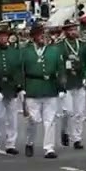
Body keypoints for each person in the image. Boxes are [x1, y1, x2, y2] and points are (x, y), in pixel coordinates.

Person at [20, 21, 67, 159]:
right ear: (33, 36)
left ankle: (49, 148)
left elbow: (61, 69)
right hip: (32, 87)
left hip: (50, 87)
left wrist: (62, 87)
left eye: (44, 34)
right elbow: (20, 71)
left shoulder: (54, 50)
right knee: (33, 120)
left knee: (50, 120)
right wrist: (21, 88)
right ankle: (29, 142)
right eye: (39, 34)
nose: (42, 37)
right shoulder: (25, 51)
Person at [58, 18, 86, 151]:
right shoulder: (60, 46)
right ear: (65, 31)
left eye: (74, 29)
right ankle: (64, 130)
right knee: (68, 111)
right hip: (67, 82)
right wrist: (61, 80)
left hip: (79, 80)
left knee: (79, 112)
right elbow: (58, 64)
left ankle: (77, 138)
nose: (73, 32)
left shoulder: (83, 45)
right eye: (70, 29)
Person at [0, 26, 24, 155]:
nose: (3, 38)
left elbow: (18, 70)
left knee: (12, 117)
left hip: (11, 87)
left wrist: (20, 86)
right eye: (1, 36)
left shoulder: (14, 52)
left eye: (5, 36)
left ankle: (11, 143)